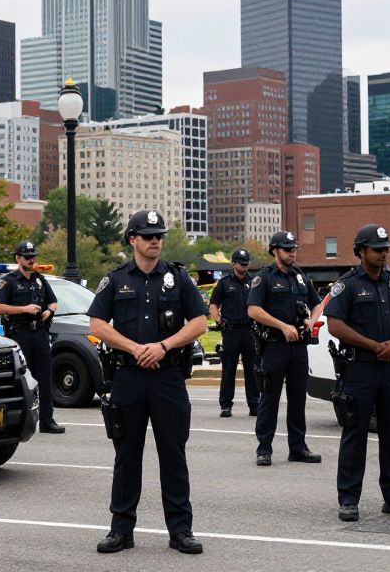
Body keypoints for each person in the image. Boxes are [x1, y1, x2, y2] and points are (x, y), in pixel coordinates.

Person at [87, 209, 208, 555]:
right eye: (148, 235)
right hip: (128, 378)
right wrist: (134, 348)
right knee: (127, 456)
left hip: (168, 377)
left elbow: (198, 322)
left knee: (173, 455)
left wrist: (164, 346)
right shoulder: (116, 279)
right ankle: (121, 530)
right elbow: (96, 324)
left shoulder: (178, 278)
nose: (155, 241)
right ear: (132, 240)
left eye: (159, 236)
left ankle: (181, 531)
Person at [324, 224, 390, 522]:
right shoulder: (348, 284)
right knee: (355, 435)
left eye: (385, 249)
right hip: (359, 369)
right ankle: (349, 499)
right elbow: (335, 325)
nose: (383, 254)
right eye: (377, 249)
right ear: (361, 251)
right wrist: (373, 345)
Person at [247, 231, 322, 466]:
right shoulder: (265, 278)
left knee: (298, 399)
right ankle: (264, 449)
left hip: (299, 347)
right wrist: (282, 326)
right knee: (269, 398)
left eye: (294, 248)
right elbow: (253, 310)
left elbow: (317, 303)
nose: (292, 252)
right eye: (288, 249)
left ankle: (298, 447)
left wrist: (312, 320)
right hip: (274, 347)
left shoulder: (300, 277)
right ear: (275, 251)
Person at [0, 240, 64, 433]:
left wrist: (49, 311)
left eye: (33, 256)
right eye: (27, 257)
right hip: (20, 333)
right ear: (18, 258)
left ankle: (47, 421)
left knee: (44, 376)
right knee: (22, 379)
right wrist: (24, 308)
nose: (31, 260)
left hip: (39, 333)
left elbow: (54, 302)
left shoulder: (39, 279)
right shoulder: (9, 281)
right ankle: (19, 421)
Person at [209, 248, 259, 418]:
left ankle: (254, 404)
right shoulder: (224, 283)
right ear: (233, 263)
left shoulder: (253, 283)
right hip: (231, 331)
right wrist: (218, 320)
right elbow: (213, 305)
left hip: (250, 331)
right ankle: (225, 405)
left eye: (246, 263)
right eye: (241, 263)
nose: (244, 266)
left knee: (252, 370)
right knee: (228, 370)